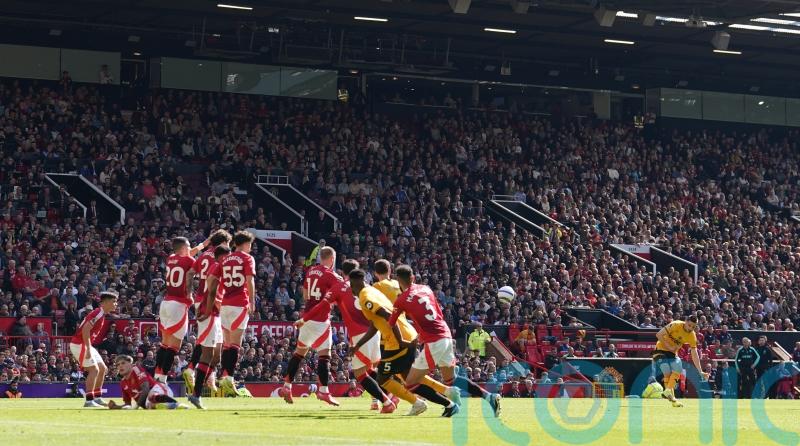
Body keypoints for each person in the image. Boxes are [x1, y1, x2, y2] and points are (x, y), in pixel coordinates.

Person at [389, 264, 500, 416]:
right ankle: (490, 397)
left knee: (410, 383)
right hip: (446, 334)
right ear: (413, 277)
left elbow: (391, 323)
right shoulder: (426, 288)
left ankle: (449, 405)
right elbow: (438, 312)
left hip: (434, 340)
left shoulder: (400, 300)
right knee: (451, 379)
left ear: (398, 281)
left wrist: (404, 340)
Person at [349, 268, 458, 417]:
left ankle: (418, 403)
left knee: (382, 377)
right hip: (407, 334)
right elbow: (376, 323)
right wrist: (358, 345)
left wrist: (400, 340)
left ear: (354, 284)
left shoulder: (365, 297)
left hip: (397, 341)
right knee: (408, 376)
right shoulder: (373, 291)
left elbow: (387, 316)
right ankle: (447, 396)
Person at [295, 259, 395, 413]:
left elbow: (321, 305)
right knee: (371, 369)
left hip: (359, 335)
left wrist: (304, 319)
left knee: (360, 374)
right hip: (374, 332)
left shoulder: (339, 287)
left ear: (342, 272)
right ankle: (388, 396)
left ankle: (387, 402)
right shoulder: (368, 287)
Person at [280, 246, 341, 406]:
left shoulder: (311, 271)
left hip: (306, 317)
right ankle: (324, 392)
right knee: (324, 356)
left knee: (299, 353)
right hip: (320, 319)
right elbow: (340, 293)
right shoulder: (331, 275)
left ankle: (287, 386)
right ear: (332, 259)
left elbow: (306, 294)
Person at [183, 229, 231, 406]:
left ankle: (198, 373)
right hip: (208, 307)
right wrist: (207, 310)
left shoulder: (204, 257)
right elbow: (211, 290)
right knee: (208, 351)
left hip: (209, 306)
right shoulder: (217, 263)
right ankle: (196, 391)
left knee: (217, 354)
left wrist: (190, 294)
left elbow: (190, 273)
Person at [207, 231, 256, 397]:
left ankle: (225, 376)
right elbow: (249, 280)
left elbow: (212, 279)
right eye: (250, 244)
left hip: (225, 305)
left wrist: (215, 300)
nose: (251, 248)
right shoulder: (247, 258)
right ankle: (229, 377)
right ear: (245, 244)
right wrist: (252, 301)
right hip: (239, 303)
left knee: (227, 344)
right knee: (235, 344)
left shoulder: (225, 259)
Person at [154, 237, 203, 383]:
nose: (190, 249)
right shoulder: (189, 261)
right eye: (188, 247)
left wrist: (201, 245)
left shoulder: (171, 258)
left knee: (165, 344)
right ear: (183, 249)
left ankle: (157, 377)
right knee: (174, 346)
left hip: (166, 303)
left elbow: (186, 255)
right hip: (179, 304)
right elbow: (192, 261)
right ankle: (162, 381)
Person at [69, 291, 118, 408]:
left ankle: (97, 397)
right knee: (94, 370)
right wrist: (88, 349)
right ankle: (89, 401)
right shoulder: (98, 313)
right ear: (105, 302)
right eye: (113, 302)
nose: (115, 304)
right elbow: (85, 330)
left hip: (85, 344)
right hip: (80, 344)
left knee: (102, 369)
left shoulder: (100, 314)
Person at [652, 315, 708, 407]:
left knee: (678, 366)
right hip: (660, 349)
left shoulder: (692, 335)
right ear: (685, 321)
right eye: (689, 325)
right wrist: (669, 347)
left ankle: (668, 393)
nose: (691, 328)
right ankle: (672, 399)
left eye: (693, 327)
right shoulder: (675, 325)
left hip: (673, 353)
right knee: (667, 372)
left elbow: (694, 354)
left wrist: (700, 371)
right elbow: (658, 334)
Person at [108, 355, 188, 410]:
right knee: (149, 405)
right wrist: (116, 407)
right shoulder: (123, 383)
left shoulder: (136, 369)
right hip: (149, 402)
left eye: (123, 363)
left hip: (159, 389)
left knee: (150, 396)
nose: (120, 366)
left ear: (130, 364)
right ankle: (171, 406)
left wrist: (136, 406)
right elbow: (128, 405)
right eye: (118, 365)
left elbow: (146, 388)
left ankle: (177, 404)